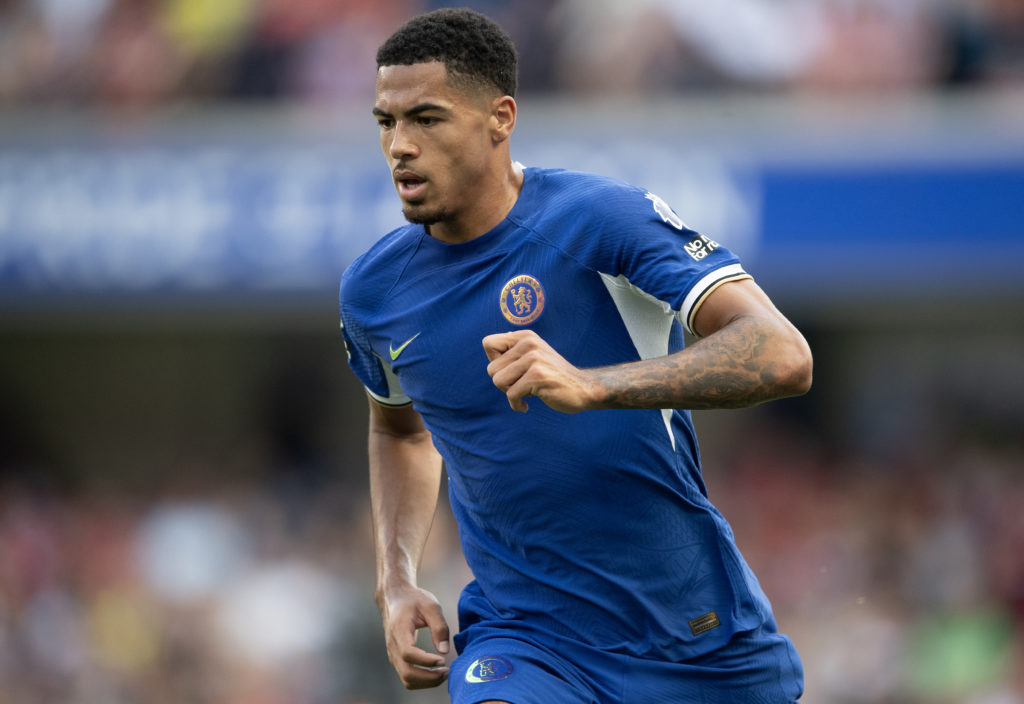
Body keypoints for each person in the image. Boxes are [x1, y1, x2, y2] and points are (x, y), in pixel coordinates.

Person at [338, 8, 813, 703]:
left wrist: (592, 386)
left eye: (427, 119)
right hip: (525, 638)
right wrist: (396, 579)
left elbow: (782, 354)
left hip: (694, 638)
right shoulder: (375, 293)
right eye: (387, 122)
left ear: (500, 118)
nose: (400, 146)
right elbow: (400, 428)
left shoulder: (599, 221)